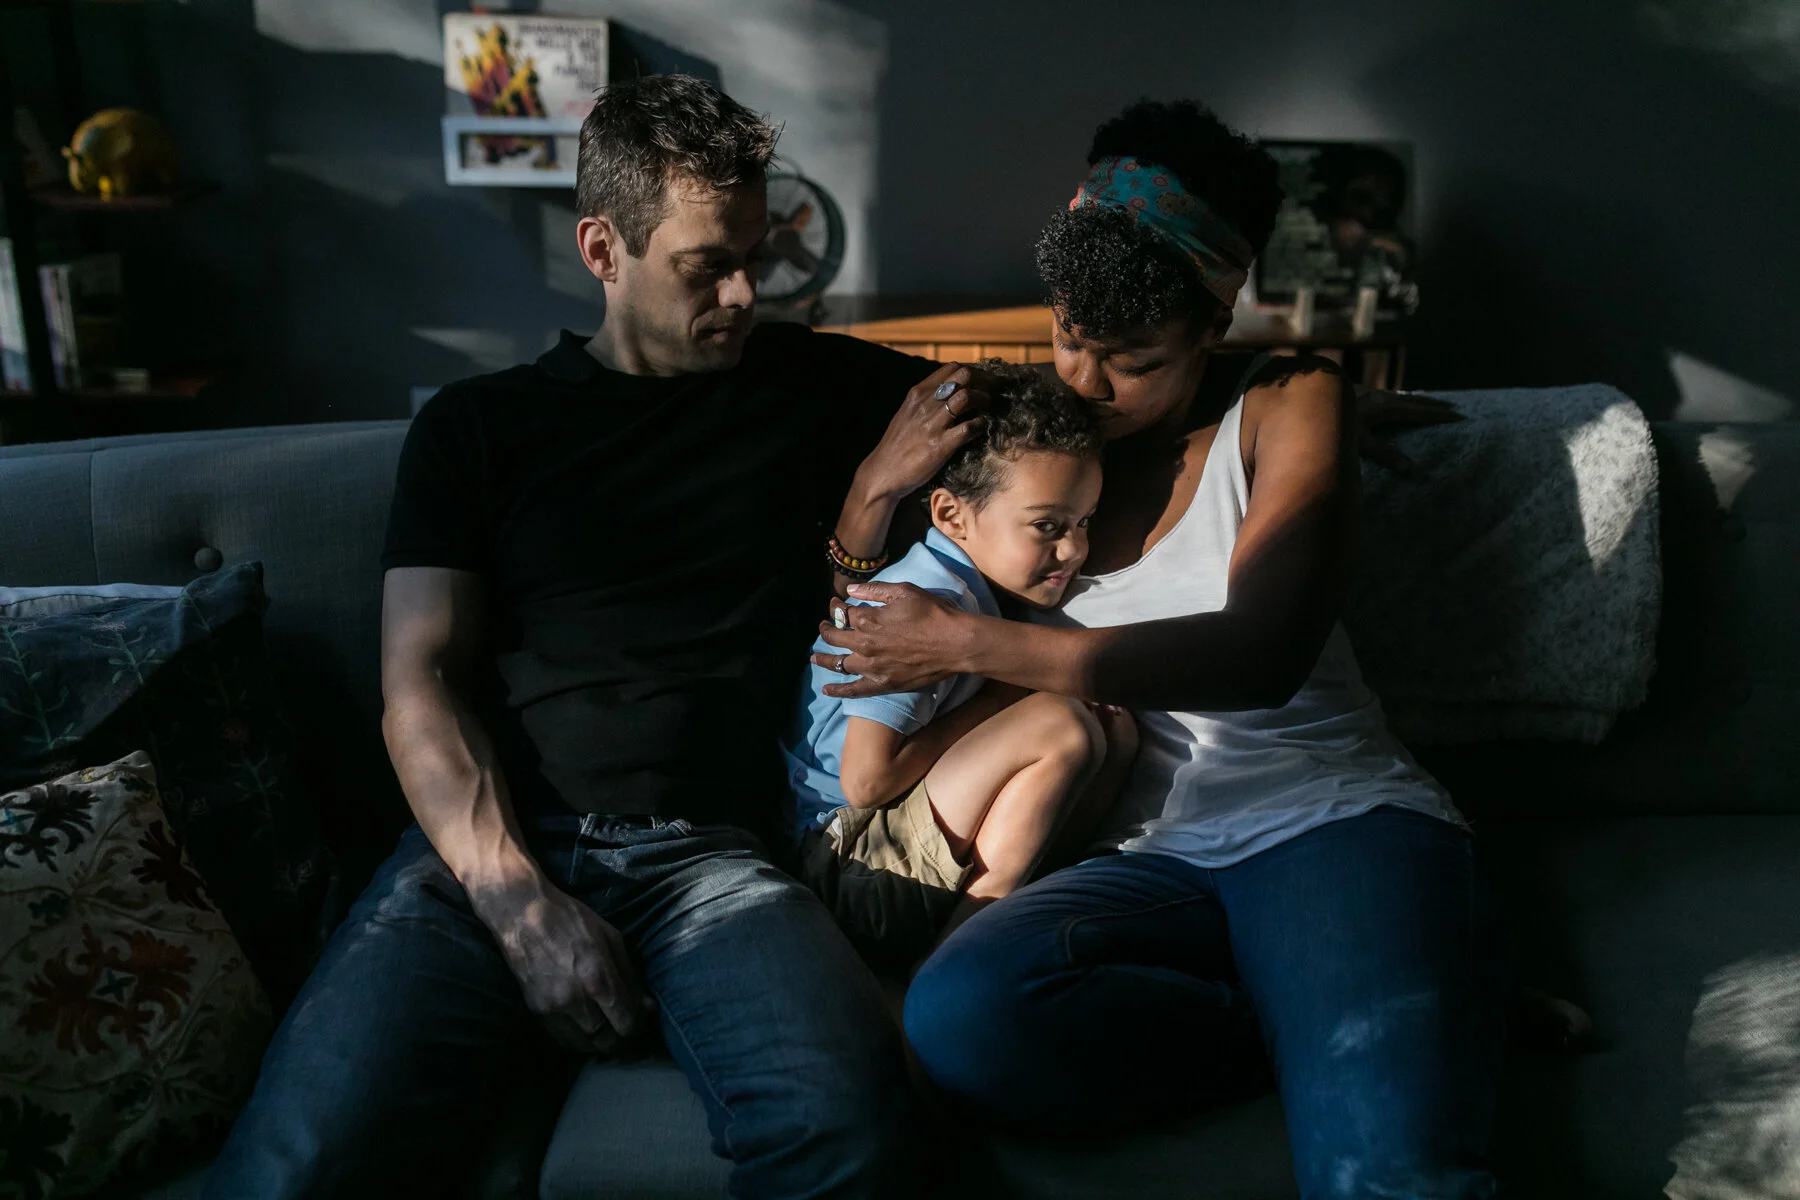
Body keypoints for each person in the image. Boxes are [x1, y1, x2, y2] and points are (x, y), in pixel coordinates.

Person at [202, 75, 991, 1199]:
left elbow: (1050, 418)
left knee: (856, 1136)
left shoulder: (813, 387)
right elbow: (418, 681)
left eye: (755, 258)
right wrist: (518, 905)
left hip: (710, 861)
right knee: (294, 1170)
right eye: (706, 266)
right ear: (603, 249)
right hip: (478, 858)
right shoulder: (479, 428)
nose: (743, 294)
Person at [815, 100, 1508, 1198]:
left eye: (1132, 361)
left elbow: (1260, 658)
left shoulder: (1291, 399)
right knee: (960, 1018)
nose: (1085, 384)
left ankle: (1385, 1007)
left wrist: (974, 641)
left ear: (1214, 324)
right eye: (1068, 338)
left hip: (1325, 821)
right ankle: (1370, 1016)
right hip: (1137, 860)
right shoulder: (1019, 426)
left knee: (1389, 1176)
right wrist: (868, 493)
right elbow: (879, 623)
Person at [784, 364, 1136, 965]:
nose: (1075, 548)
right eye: (1047, 526)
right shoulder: (920, 605)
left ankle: (1024, 906)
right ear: (951, 516)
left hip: (893, 836)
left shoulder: (974, 590)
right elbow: (865, 782)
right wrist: (998, 699)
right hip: (848, 857)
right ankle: (949, 962)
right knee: (1060, 725)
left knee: (1115, 730)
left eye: (1084, 522)